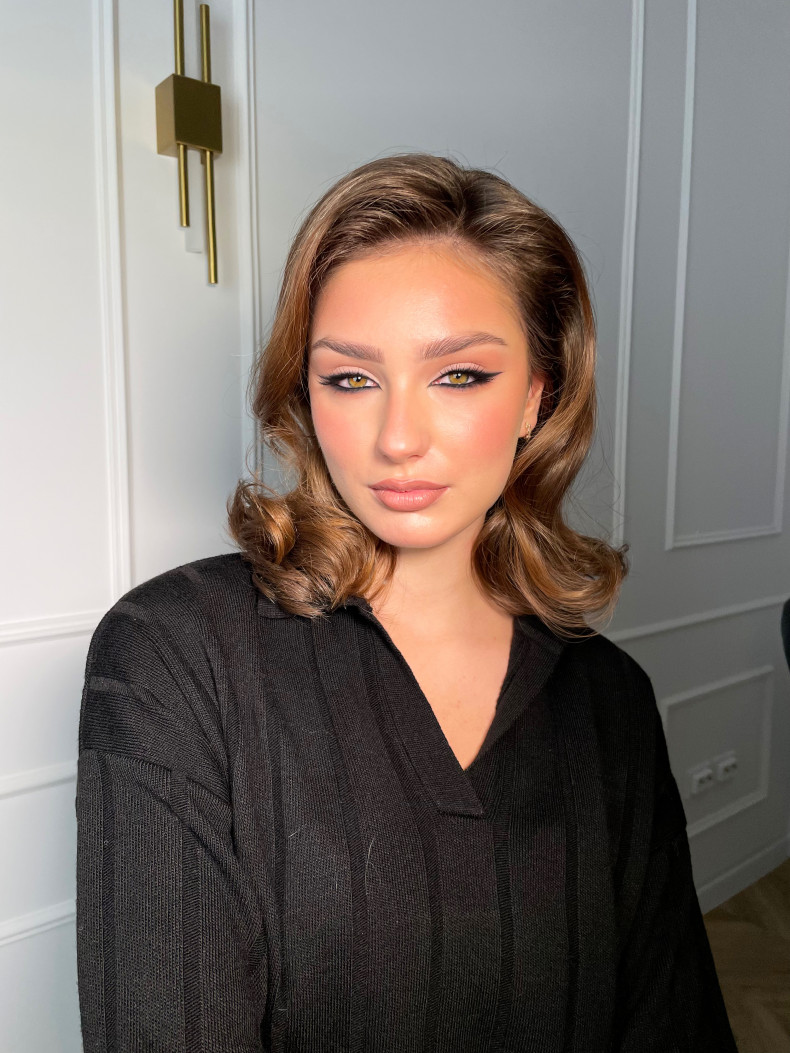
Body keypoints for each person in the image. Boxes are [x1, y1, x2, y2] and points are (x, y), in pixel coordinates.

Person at [75, 153, 739, 1051]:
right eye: (350, 378)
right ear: (306, 397)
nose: (397, 438)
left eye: (459, 374)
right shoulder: (174, 655)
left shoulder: (610, 699)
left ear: (537, 395)